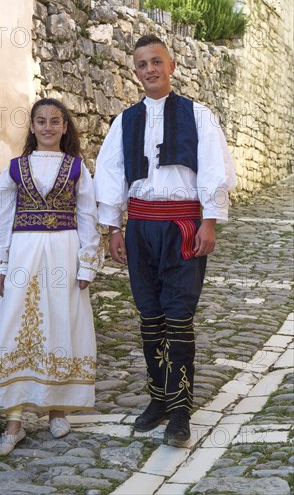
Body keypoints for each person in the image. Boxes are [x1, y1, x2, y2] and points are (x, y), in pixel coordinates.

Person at [94, 34, 236, 447]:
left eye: (156, 61)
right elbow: (110, 174)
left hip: (182, 227)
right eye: (142, 64)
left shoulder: (199, 116)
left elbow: (214, 169)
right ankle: (158, 399)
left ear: (171, 66)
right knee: (150, 317)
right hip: (140, 228)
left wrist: (210, 221)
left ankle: (180, 411)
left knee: (178, 318)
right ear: (135, 72)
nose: (150, 70)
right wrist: (112, 227)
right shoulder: (125, 121)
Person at [0, 98, 100, 456]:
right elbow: (2, 219)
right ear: (32, 127)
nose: (48, 127)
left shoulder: (78, 168)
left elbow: (87, 217)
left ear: (65, 127)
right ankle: (14, 422)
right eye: (41, 121)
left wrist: (86, 263)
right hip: (23, 252)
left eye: (55, 121)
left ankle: (58, 409)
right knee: (15, 325)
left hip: (64, 253)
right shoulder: (15, 169)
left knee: (61, 321)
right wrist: (2, 264)